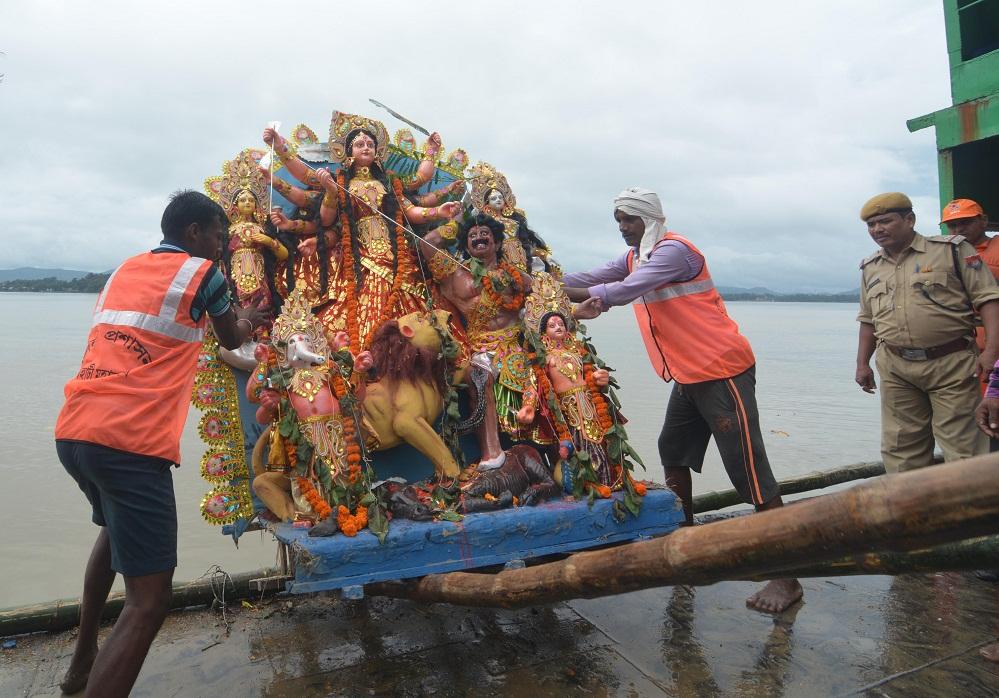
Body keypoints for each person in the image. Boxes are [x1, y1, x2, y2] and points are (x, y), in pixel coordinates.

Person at [54, 190, 267, 697]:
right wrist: (252, 320)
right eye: (218, 235)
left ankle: (82, 661)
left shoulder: (124, 269)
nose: (221, 246)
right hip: (129, 442)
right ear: (194, 232)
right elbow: (232, 339)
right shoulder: (202, 274)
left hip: (76, 430)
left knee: (111, 533)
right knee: (149, 601)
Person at [561, 187, 801, 614]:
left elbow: (626, 289)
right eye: (617, 220)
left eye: (629, 220)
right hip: (689, 374)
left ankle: (786, 576)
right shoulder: (636, 255)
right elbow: (589, 277)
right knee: (672, 450)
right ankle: (684, 545)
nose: (622, 228)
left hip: (722, 370)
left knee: (748, 466)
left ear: (649, 218)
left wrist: (598, 299)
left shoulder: (674, 253)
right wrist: (538, 280)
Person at [855, 192, 999, 473]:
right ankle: (911, 515)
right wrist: (862, 364)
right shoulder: (871, 267)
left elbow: (988, 299)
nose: (877, 230)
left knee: (964, 449)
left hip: (951, 364)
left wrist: (992, 351)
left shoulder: (952, 251)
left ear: (910, 220)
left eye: (885, 221)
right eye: (871, 225)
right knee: (900, 450)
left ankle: (970, 514)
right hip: (895, 367)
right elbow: (868, 319)